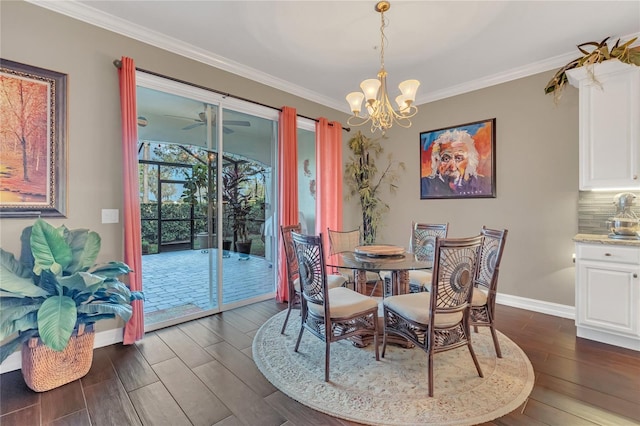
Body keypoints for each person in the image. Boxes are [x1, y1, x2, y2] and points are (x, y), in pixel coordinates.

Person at [421, 129, 491, 197]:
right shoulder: (424, 185)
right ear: (437, 161)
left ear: (470, 161)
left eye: (459, 158)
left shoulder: (486, 184)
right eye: (446, 159)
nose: (453, 167)